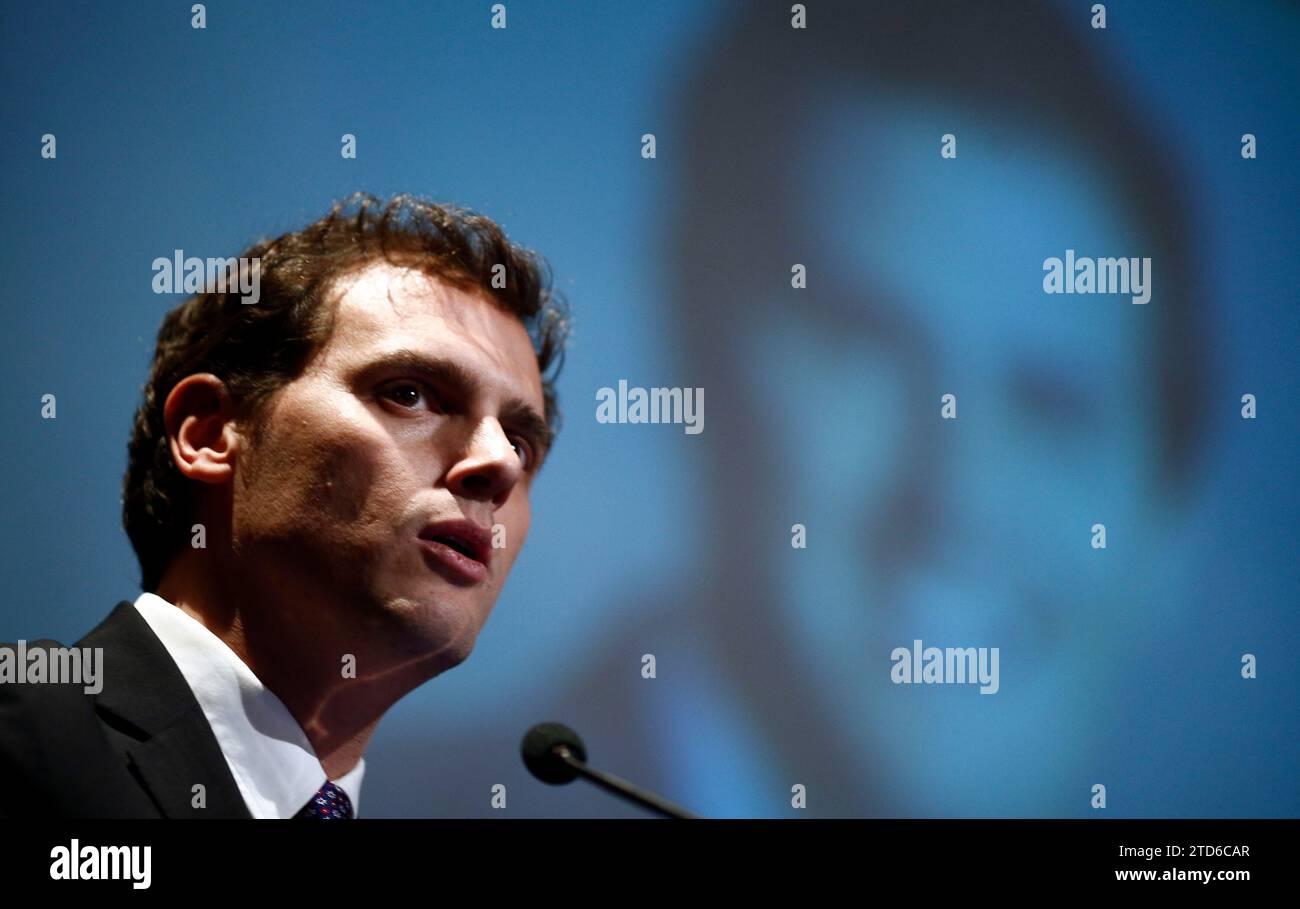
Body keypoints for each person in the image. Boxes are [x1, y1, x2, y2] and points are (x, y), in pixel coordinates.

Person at [0, 193, 569, 818]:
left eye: (521, 441)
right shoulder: (24, 741)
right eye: (410, 393)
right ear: (211, 434)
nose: (500, 465)